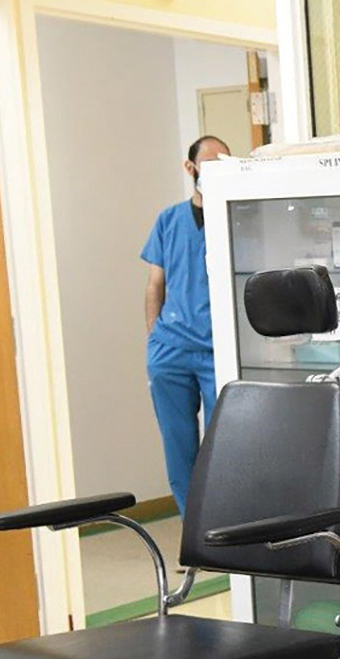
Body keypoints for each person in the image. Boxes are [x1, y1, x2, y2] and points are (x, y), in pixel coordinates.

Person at [141, 134, 228, 516]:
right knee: (178, 446)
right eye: (208, 164)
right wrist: (153, 341)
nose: (214, 171)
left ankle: (219, 525)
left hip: (217, 350)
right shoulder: (169, 220)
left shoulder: (232, 217)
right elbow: (154, 286)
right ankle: (192, 527)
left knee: (223, 445)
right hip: (170, 350)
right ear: (189, 167)